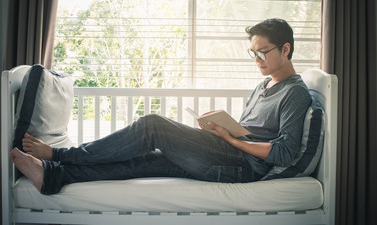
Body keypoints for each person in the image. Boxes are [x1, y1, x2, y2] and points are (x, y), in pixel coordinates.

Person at [10, 18, 312, 195]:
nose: (257, 61)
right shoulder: (264, 85)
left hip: (243, 167)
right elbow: (251, 132)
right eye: (253, 54)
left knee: (152, 125)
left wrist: (229, 138)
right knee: (147, 158)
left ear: (286, 49)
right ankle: (53, 176)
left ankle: (61, 155)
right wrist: (220, 126)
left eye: (263, 53)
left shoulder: (296, 93)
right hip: (228, 152)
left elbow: (283, 151)